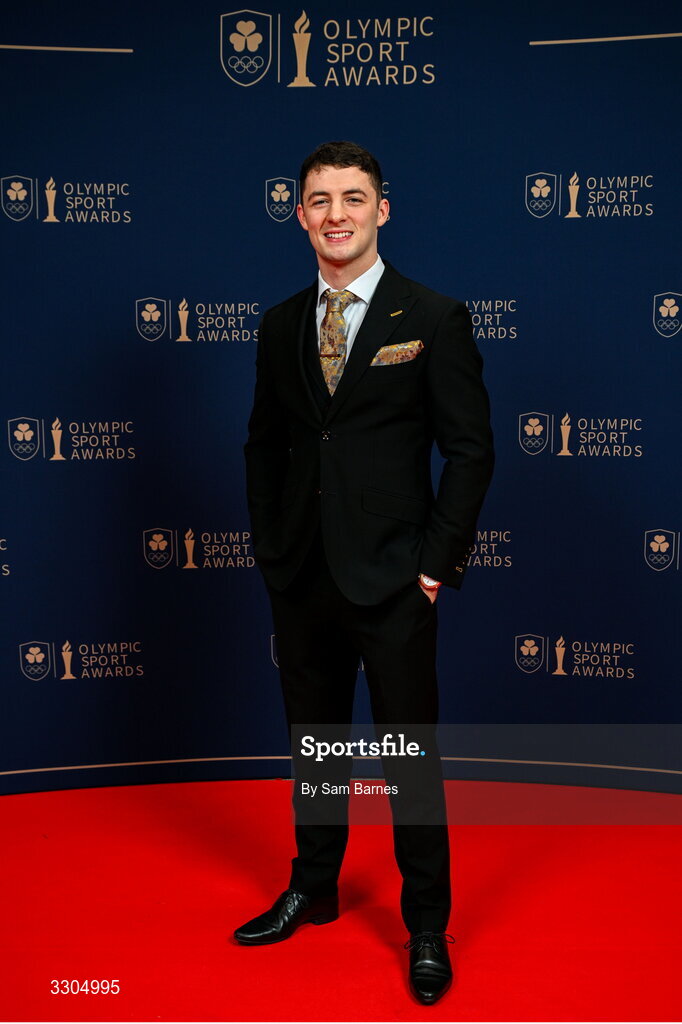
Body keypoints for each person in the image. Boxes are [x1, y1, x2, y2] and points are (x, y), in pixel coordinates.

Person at [236, 140, 494, 1004]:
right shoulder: (279, 325)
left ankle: (426, 923)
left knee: (408, 758)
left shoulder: (435, 316)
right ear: (299, 213)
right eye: (320, 199)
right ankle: (313, 887)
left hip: (393, 582)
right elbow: (266, 444)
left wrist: (432, 569)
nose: (336, 213)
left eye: (353, 197)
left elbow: (469, 451)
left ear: (383, 210)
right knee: (316, 749)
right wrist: (273, 549)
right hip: (302, 577)